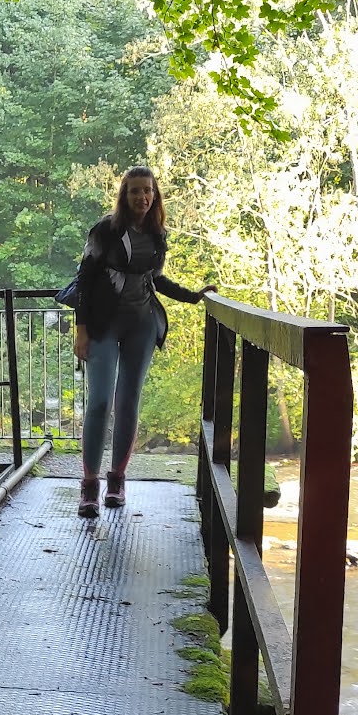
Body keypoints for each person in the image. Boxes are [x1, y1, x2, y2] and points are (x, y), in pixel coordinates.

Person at [70, 166, 208, 518]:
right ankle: (89, 484)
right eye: (135, 191)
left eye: (148, 191)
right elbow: (84, 280)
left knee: (129, 400)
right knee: (100, 401)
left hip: (142, 324)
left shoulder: (157, 232)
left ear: (155, 195)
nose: (142, 198)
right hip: (103, 322)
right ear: (124, 195)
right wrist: (81, 330)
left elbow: (155, 279)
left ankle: (117, 479)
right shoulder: (106, 230)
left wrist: (193, 296)